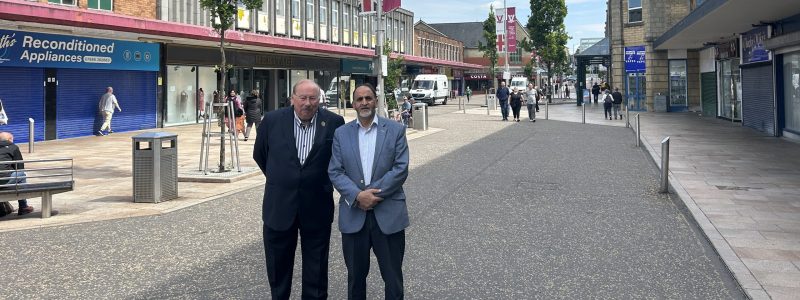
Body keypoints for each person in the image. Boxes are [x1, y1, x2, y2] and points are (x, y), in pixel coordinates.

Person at [252, 79, 345, 300]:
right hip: (279, 205)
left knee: (317, 268)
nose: (307, 103)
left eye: (312, 98)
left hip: (317, 205)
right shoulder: (272, 120)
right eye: (302, 98)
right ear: (293, 98)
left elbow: (339, 159)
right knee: (278, 267)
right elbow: (260, 154)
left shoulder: (334, 122)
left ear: (319, 100)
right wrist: (283, 179)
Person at [328, 83, 410, 300]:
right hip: (354, 216)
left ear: (375, 101)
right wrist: (357, 196)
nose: (364, 102)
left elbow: (400, 168)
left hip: (388, 215)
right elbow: (335, 171)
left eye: (368, 98)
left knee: (393, 279)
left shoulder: (395, 130)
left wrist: (373, 195)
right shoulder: (341, 134)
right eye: (359, 99)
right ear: (353, 104)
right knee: (355, 279)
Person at [0, 132, 33, 215]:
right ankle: (23, 206)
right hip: (3, 179)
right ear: (9, 139)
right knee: (21, 175)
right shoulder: (13, 147)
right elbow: (20, 166)